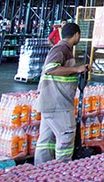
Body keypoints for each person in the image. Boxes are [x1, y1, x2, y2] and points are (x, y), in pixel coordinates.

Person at [35, 22, 88, 164]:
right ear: (76, 35)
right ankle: (61, 170)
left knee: (46, 141)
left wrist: (78, 71)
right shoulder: (60, 49)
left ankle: (41, 170)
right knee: (66, 135)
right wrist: (76, 69)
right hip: (58, 103)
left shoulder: (64, 49)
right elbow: (51, 69)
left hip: (49, 103)